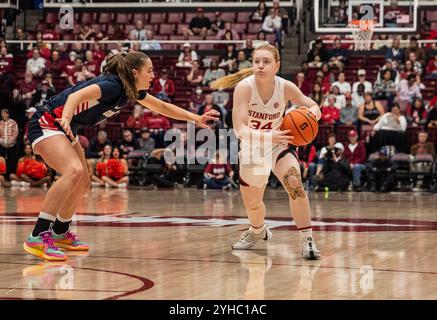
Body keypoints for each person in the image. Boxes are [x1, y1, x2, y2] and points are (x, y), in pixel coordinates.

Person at [24, 51, 219, 261]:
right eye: (150, 71)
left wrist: (196, 118)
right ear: (135, 72)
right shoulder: (112, 85)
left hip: (65, 126)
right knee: (73, 171)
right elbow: (75, 97)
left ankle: (60, 231)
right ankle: (38, 235)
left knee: (83, 182)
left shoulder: (130, 90)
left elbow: (161, 106)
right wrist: (66, 117)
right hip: (48, 121)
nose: (153, 75)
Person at [211, 44, 321, 259]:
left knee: (295, 183)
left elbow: (313, 105)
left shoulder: (286, 86)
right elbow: (240, 130)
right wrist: (269, 135)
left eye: (266, 61)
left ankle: (307, 239)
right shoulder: (244, 87)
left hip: (279, 145)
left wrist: (310, 117)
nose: (260, 66)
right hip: (253, 148)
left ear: (277, 65)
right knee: (253, 204)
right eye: (256, 61)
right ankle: (257, 231)